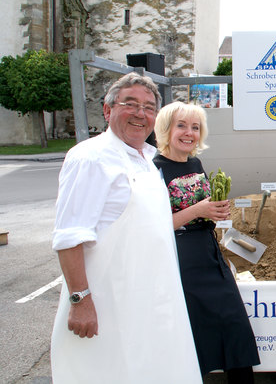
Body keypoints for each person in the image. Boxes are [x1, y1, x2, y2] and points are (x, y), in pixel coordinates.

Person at [50, 72, 201, 383]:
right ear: (108, 111)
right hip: (109, 304)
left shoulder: (146, 159)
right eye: (129, 104)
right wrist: (81, 301)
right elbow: (69, 237)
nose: (140, 114)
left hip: (151, 301)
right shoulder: (90, 159)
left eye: (148, 107)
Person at [153, 101, 260, 382]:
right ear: (166, 129)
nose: (189, 133)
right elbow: (151, 226)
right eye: (181, 126)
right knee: (193, 334)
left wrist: (216, 214)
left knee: (234, 326)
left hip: (208, 253)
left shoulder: (195, 162)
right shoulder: (153, 170)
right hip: (179, 260)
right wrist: (197, 211)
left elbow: (203, 209)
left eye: (195, 127)